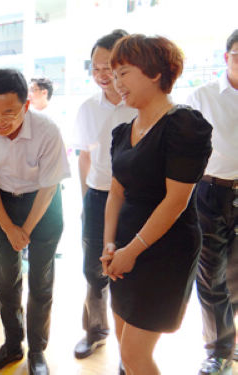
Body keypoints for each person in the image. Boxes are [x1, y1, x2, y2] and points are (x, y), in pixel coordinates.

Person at [101, 34, 212, 375]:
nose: (116, 82)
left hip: (165, 251)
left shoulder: (184, 125)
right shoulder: (123, 131)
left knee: (135, 354)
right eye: (114, 74)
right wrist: (110, 243)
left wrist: (132, 251)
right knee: (123, 344)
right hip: (123, 246)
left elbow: (176, 201)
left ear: (154, 73)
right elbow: (116, 192)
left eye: (124, 72)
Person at [0, 69, 70, 375]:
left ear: (26, 106)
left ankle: (37, 351)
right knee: (6, 279)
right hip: (3, 202)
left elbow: (49, 186)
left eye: (9, 113)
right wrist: (9, 227)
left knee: (41, 278)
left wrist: (25, 229)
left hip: (43, 203)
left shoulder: (47, 130)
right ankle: (12, 345)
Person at [71, 30, 136, 362]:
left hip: (136, 200)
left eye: (108, 66)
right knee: (93, 270)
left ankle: (131, 349)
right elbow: (84, 156)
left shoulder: (141, 105)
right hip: (97, 197)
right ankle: (96, 331)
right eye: (95, 68)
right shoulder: (87, 108)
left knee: (130, 270)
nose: (102, 75)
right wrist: (85, 199)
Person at [186, 29, 238, 375]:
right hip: (209, 191)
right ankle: (219, 349)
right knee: (210, 274)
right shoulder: (201, 97)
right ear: (226, 58)